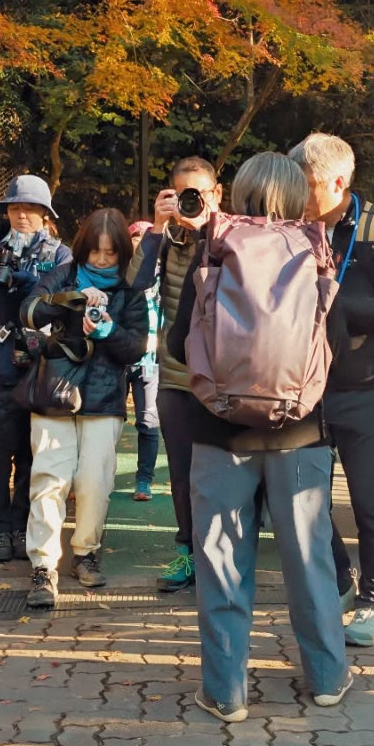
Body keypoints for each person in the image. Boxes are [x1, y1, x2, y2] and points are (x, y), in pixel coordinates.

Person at [166, 152, 351, 723]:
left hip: (218, 433)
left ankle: (226, 691)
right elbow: (334, 340)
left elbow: (178, 343)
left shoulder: (215, 245)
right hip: (299, 434)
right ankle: (325, 679)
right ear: (298, 194)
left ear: (236, 193)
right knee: (308, 560)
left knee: (221, 560)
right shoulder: (317, 247)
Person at [289, 133, 374, 648]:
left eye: (306, 186)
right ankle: (342, 581)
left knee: (371, 498)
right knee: (303, 499)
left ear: (338, 182)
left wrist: (337, 304)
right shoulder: (290, 229)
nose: (298, 196)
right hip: (303, 386)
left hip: (366, 385)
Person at [21, 209, 149, 605]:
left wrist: (108, 331)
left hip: (105, 398)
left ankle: (86, 552)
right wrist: (70, 300)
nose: (102, 260)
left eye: (110, 253)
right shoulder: (64, 273)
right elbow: (28, 310)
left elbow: (137, 346)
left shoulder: (130, 289)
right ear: (83, 248)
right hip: (55, 392)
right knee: (49, 479)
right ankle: (43, 566)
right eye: (95, 252)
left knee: (95, 482)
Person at [127, 157, 224, 592]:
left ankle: (220, 555)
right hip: (176, 375)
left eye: (199, 193)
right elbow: (133, 284)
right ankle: (187, 552)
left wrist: (207, 228)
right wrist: (155, 229)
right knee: (182, 474)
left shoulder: (235, 235)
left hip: (224, 378)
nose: (192, 200)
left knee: (222, 471)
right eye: (182, 192)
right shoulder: (164, 238)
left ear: (216, 194)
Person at [0, 176, 69, 562]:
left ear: (44, 214)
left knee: (32, 453)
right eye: (14, 208)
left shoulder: (60, 255)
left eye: (30, 208)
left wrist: (30, 284)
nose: (22, 215)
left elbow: (60, 306)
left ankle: (24, 527)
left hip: (39, 365)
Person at [127, 219, 160, 501]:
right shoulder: (119, 274)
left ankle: (143, 481)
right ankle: (94, 477)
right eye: (135, 236)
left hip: (150, 359)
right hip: (118, 356)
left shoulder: (164, 275)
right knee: (106, 421)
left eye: (144, 236)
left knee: (148, 421)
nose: (139, 240)